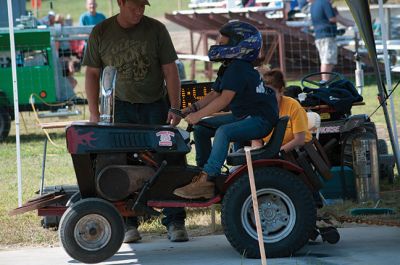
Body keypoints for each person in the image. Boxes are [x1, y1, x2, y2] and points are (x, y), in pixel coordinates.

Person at [82, 0, 188, 244]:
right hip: (120, 108)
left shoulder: (156, 29)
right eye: (134, 6)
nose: (139, 11)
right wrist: (94, 113)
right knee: (119, 162)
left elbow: (170, 70)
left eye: (143, 6)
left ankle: (175, 220)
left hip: (155, 105)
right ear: (120, 2)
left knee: (169, 158)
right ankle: (128, 222)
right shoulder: (101, 32)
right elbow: (91, 74)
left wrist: (175, 107)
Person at [173, 21, 279, 200]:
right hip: (245, 117)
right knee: (201, 129)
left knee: (223, 131)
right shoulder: (229, 66)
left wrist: (197, 115)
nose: (217, 47)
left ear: (239, 45)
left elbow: (225, 99)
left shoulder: (238, 67)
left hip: (260, 120)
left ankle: (208, 177)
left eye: (223, 44)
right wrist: (192, 108)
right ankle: (203, 174)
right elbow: (215, 93)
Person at [252, 67, 312, 152]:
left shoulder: (293, 106)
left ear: (281, 91)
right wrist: (258, 152)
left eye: (271, 92)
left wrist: (276, 153)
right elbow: (256, 140)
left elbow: (300, 140)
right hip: (275, 153)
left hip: (300, 153)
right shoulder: (260, 109)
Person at [309, 0, 354, 81]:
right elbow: (332, 18)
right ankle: (325, 82)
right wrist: (340, 18)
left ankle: (325, 81)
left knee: (325, 60)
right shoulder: (325, 3)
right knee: (327, 61)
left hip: (319, 36)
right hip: (327, 36)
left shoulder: (314, 4)